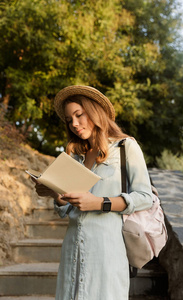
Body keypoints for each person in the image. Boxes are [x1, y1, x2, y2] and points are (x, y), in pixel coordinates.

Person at [33, 85, 153, 300]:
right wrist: (55, 194)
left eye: (79, 115)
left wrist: (100, 202)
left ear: (95, 111)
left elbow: (145, 198)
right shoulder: (76, 157)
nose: (75, 124)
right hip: (72, 248)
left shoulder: (125, 148)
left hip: (107, 250)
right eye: (70, 120)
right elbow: (69, 208)